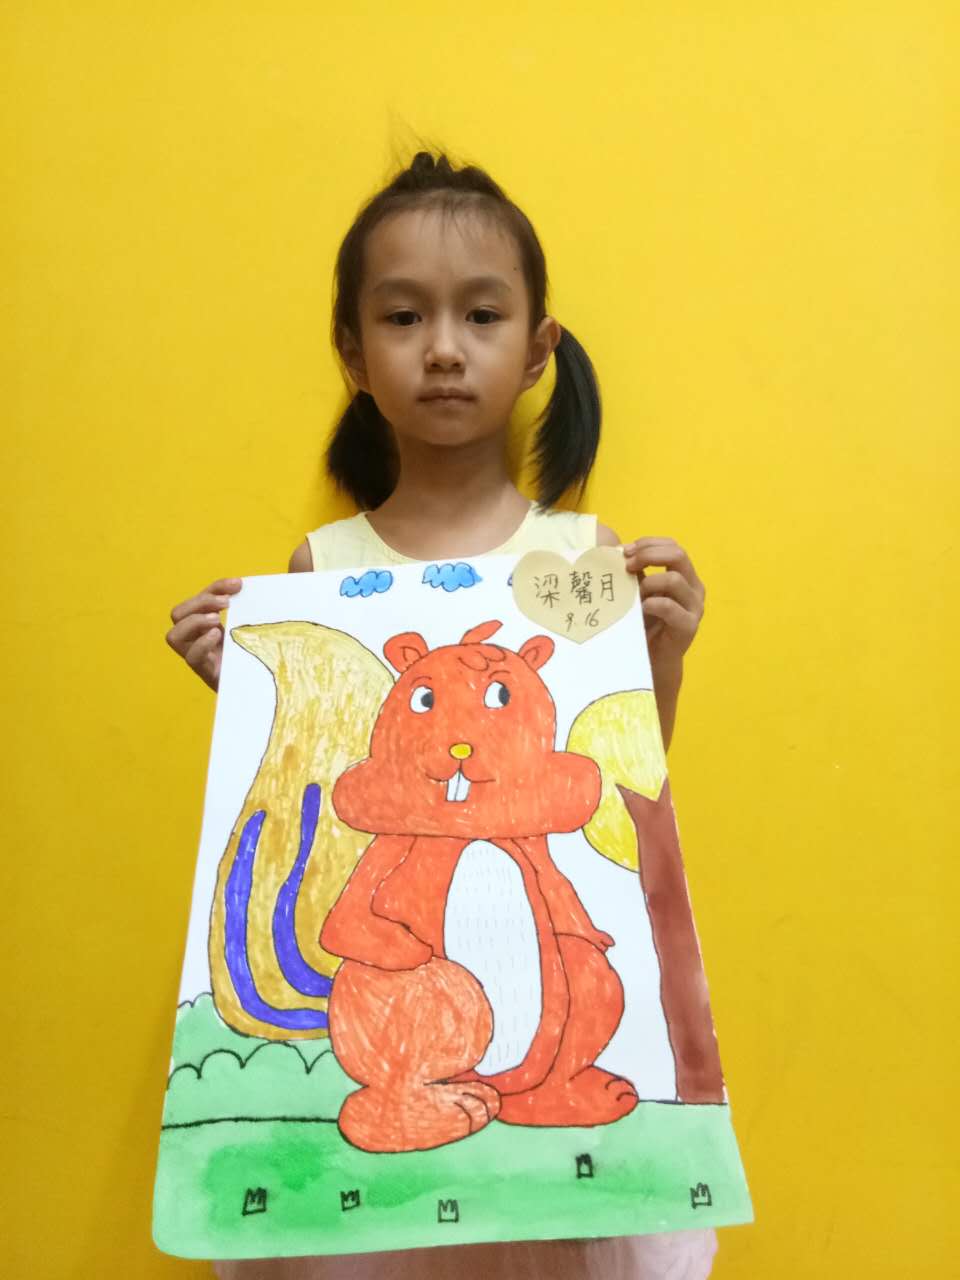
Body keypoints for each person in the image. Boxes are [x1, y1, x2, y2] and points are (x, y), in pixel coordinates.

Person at [166, 150, 713, 1280]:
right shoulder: (321, 568)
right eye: (405, 316)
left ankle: (546, 1073)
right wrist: (243, 682)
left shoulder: (580, 560)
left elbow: (620, 797)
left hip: (541, 1005)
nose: (446, 348)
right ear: (353, 353)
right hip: (411, 998)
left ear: (538, 349)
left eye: (483, 314)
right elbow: (325, 775)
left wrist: (661, 652)